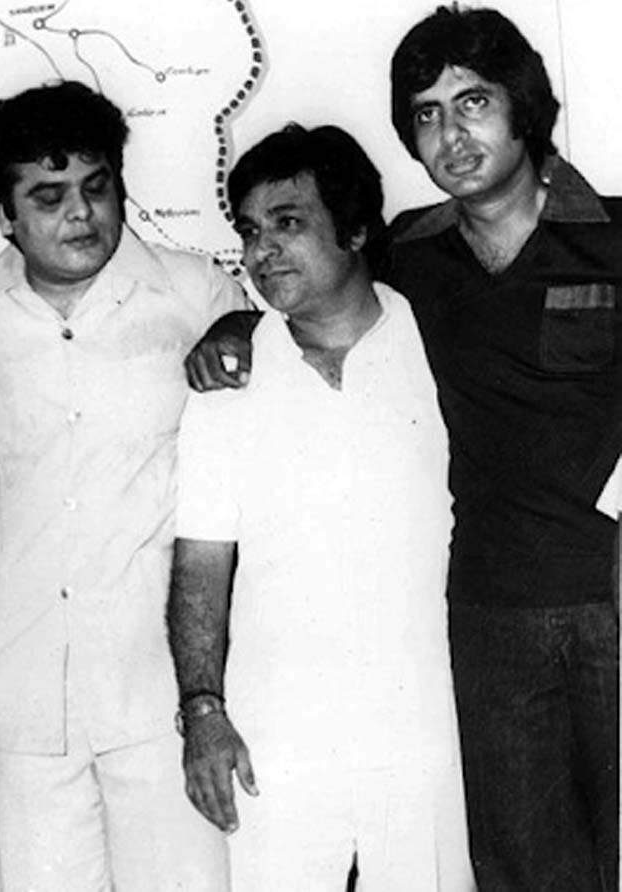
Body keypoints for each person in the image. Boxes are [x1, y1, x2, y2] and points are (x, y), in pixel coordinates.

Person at [186, 4, 620, 892]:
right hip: (494, 625)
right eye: (427, 114)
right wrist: (232, 326)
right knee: (528, 874)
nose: (452, 135)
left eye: (474, 103)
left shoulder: (617, 237)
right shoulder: (412, 257)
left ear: (525, 108)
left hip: (613, 599)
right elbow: (312, 281)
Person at [0, 80, 248, 891]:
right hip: (23, 687)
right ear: (5, 213)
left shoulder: (197, 294)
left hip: (162, 684)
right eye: (49, 196)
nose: (81, 214)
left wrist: (246, 328)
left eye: (97, 188)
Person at [169, 123, 473, 891]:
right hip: (278, 727)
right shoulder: (227, 382)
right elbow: (200, 563)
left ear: (358, 229)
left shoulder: (441, 346)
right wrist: (203, 712)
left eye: (288, 222)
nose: (262, 250)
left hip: (425, 721)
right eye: (249, 231)